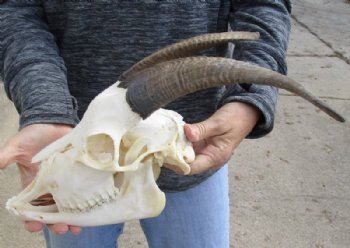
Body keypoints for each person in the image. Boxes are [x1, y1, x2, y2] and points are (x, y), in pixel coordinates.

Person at [0, 0, 291, 247]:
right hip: (76, 161)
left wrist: (249, 98)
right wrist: (46, 108)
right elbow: (17, 9)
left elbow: (262, 4)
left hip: (190, 151)